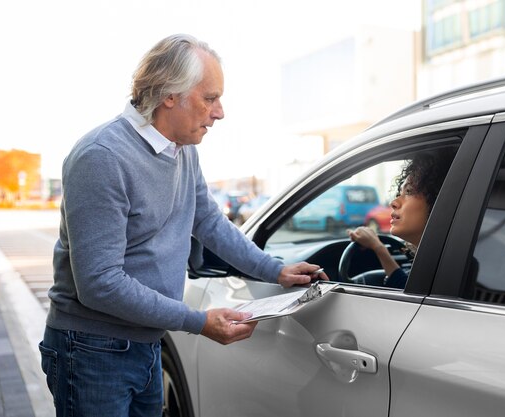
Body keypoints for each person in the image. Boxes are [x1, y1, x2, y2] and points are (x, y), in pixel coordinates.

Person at [38, 33, 327, 417]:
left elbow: (208, 222)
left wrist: (276, 269)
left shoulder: (182, 150)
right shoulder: (102, 157)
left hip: (145, 343)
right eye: (210, 98)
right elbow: (99, 284)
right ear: (169, 95)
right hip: (92, 350)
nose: (220, 112)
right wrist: (197, 322)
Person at [347, 148, 455, 288]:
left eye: (409, 191)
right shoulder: (448, 260)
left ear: (437, 199)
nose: (394, 202)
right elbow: (408, 286)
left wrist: (378, 247)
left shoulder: (448, 266)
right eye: (400, 192)